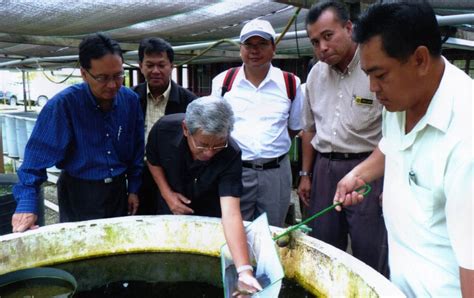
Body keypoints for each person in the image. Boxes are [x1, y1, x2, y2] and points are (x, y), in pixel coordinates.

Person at [333, 2, 473, 297]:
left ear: (420, 59)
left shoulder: (465, 136)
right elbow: (390, 146)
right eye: (368, 74)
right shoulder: (400, 100)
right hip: (400, 282)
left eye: (380, 75)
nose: (372, 88)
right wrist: (358, 174)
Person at [12, 33, 144, 232]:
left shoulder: (130, 101)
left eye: (118, 75)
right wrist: (26, 206)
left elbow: (136, 149)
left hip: (118, 189)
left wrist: (133, 188)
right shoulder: (63, 106)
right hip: (79, 192)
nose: (112, 85)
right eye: (102, 78)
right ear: (83, 73)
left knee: (117, 242)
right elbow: (33, 164)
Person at [297, 0, 387, 275]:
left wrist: (389, 181)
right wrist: (305, 174)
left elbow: (394, 134)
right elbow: (309, 128)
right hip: (325, 169)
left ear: (349, 28)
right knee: (322, 247)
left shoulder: (374, 68)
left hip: (367, 170)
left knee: (370, 250)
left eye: (328, 36)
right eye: (315, 42)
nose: (322, 48)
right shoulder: (315, 74)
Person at [146, 96, 262, 294]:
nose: (209, 153)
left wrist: (244, 272)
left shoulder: (231, 152)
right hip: (171, 204)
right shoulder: (163, 129)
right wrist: (167, 194)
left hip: (210, 208)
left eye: (218, 145)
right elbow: (152, 160)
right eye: (202, 144)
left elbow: (231, 213)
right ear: (185, 129)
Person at [211, 19, 303, 227]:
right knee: (234, 229)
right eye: (249, 45)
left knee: (271, 231)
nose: (255, 50)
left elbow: (294, 127)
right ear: (240, 49)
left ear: (273, 48)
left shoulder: (290, 83)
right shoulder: (224, 82)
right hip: (235, 170)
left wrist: (270, 148)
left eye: (261, 44)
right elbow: (215, 128)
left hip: (275, 173)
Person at [133, 37, 196, 215]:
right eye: (149, 65)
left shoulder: (189, 102)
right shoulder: (130, 99)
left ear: (171, 66)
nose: (156, 71)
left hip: (174, 177)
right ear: (141, 66)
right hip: (139, 175)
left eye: (161, 65)